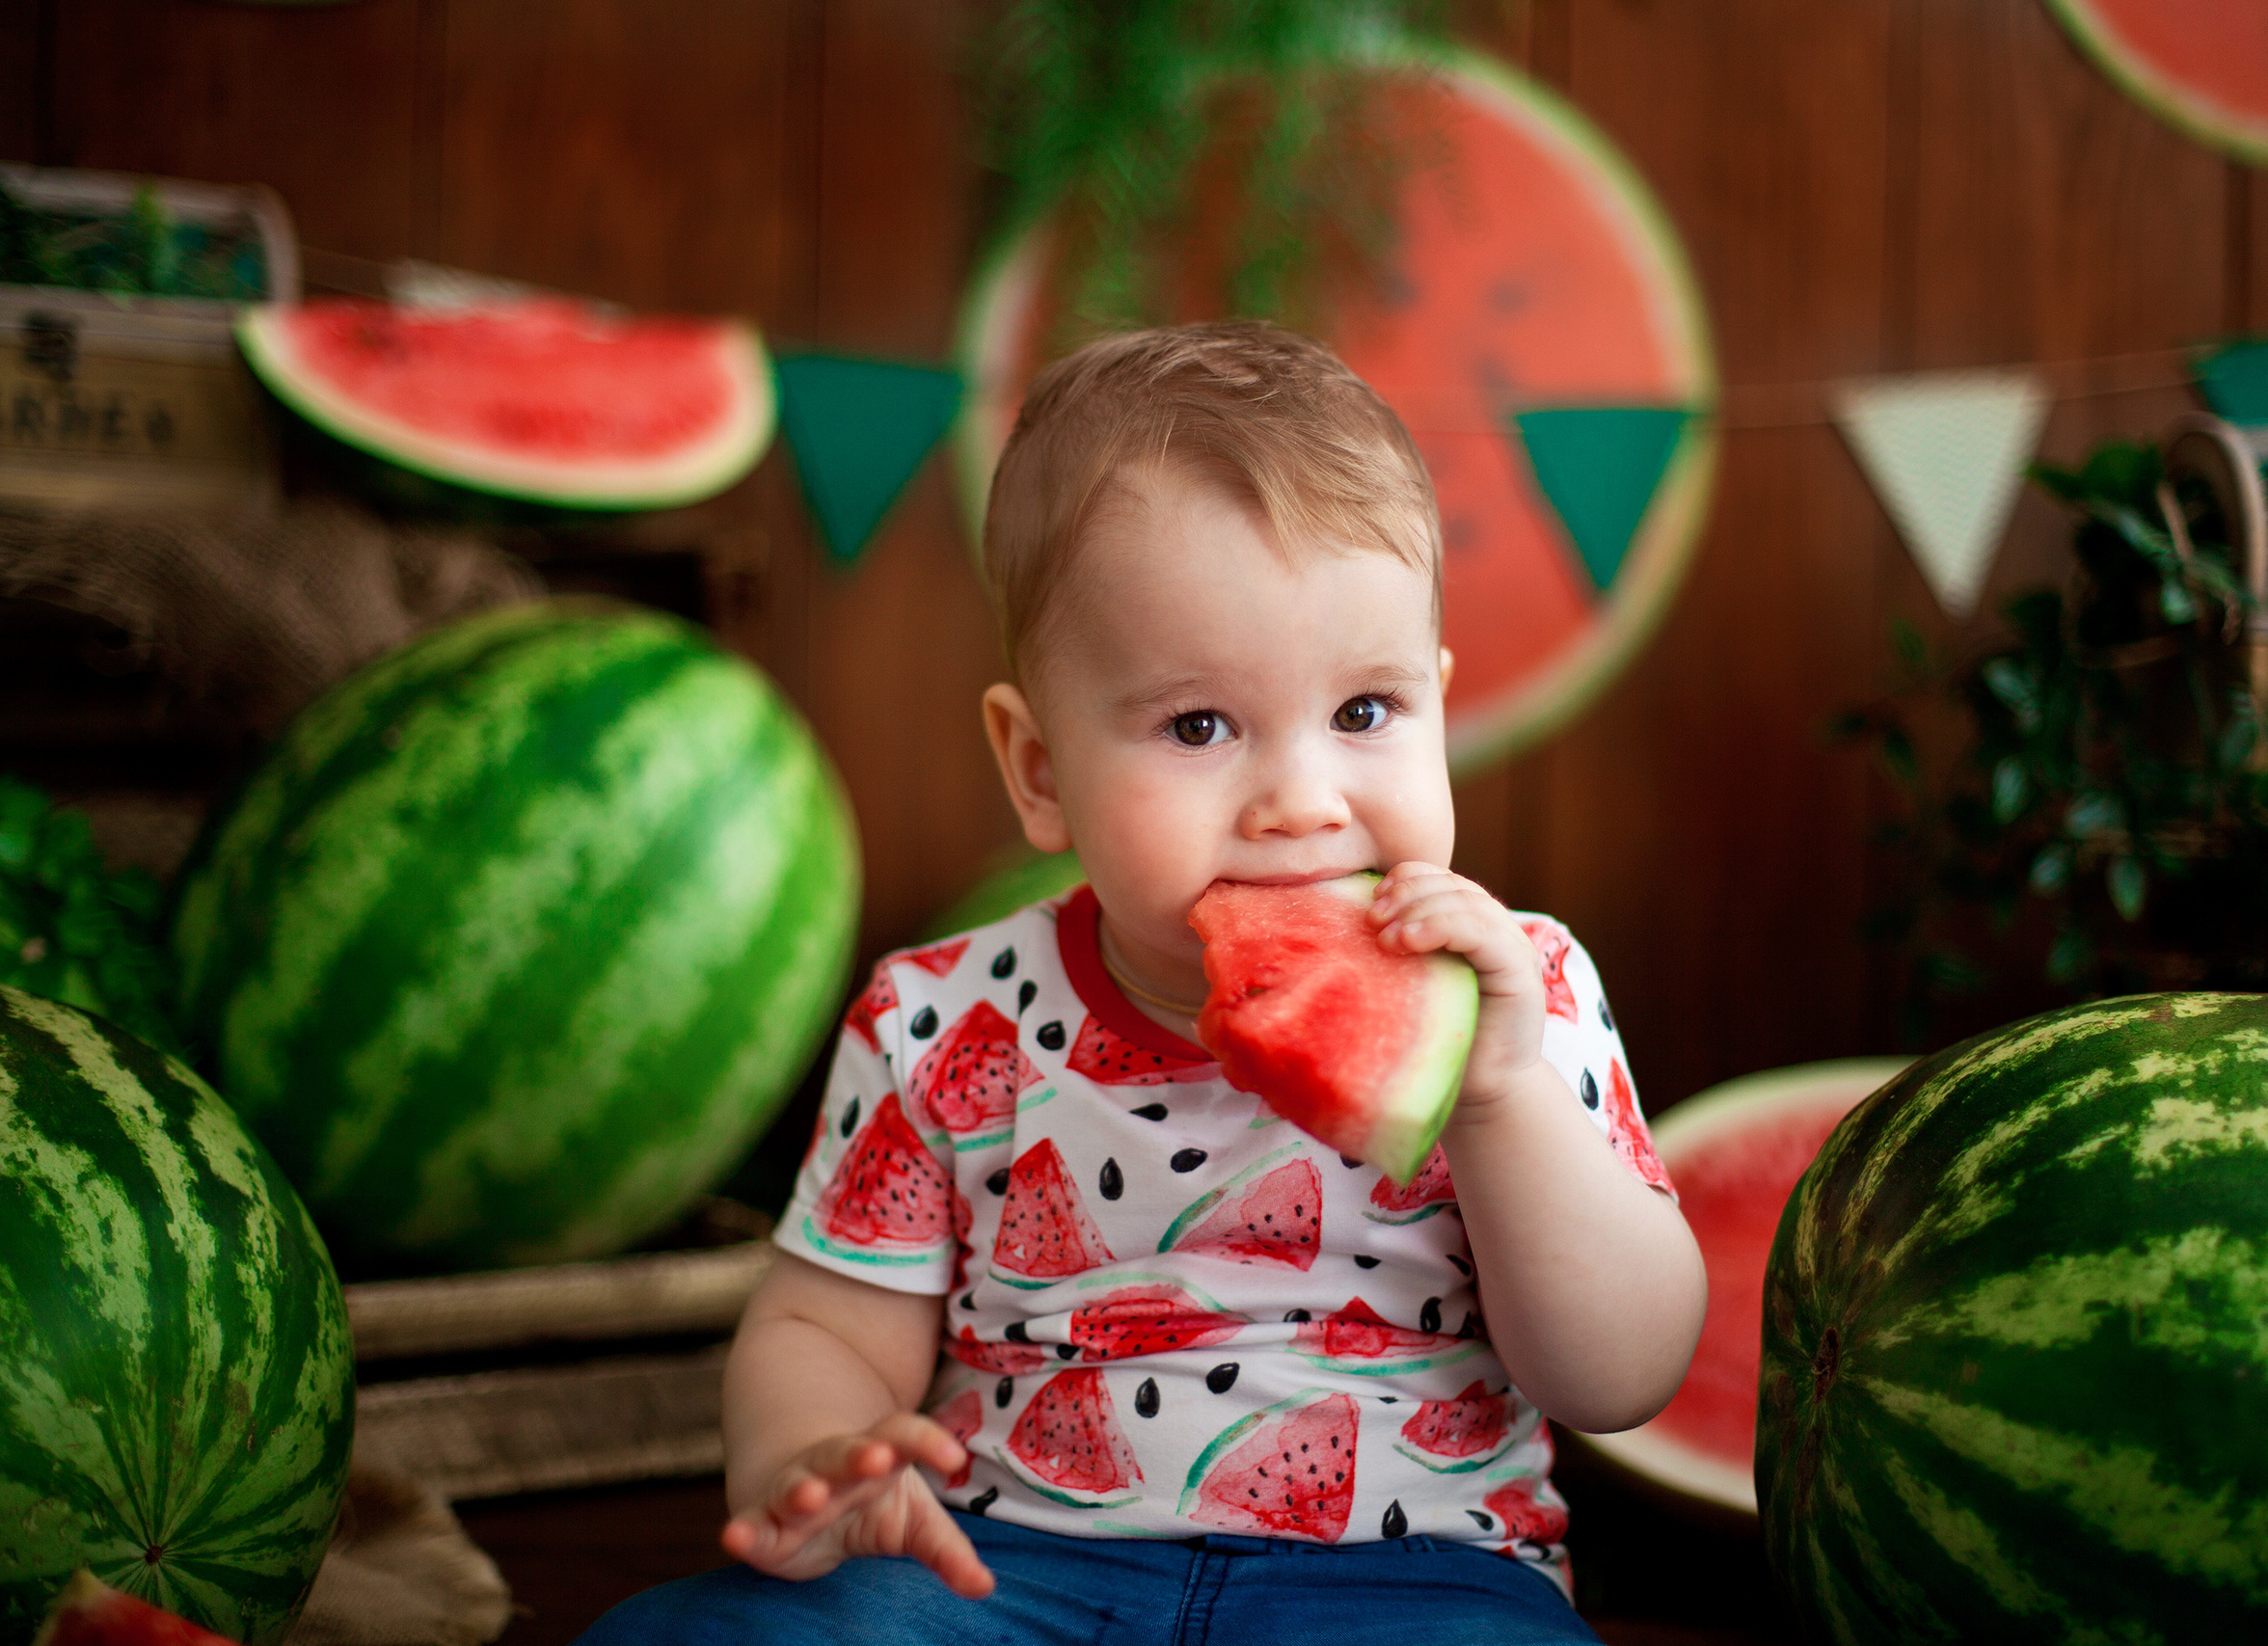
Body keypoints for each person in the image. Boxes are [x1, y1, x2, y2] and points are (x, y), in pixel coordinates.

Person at [576, 321, 1707, 1645]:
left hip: (1413, 1583)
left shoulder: (1525, 992)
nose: (1303, 802)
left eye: (1364, 713)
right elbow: (826, 1326)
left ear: (1437, 708)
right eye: (1199, 726)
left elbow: (1619, 1375)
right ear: (1040, 768)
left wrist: (1503, 1097)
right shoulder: (940, 1017)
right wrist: (818, 1457)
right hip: (1007, 1571)